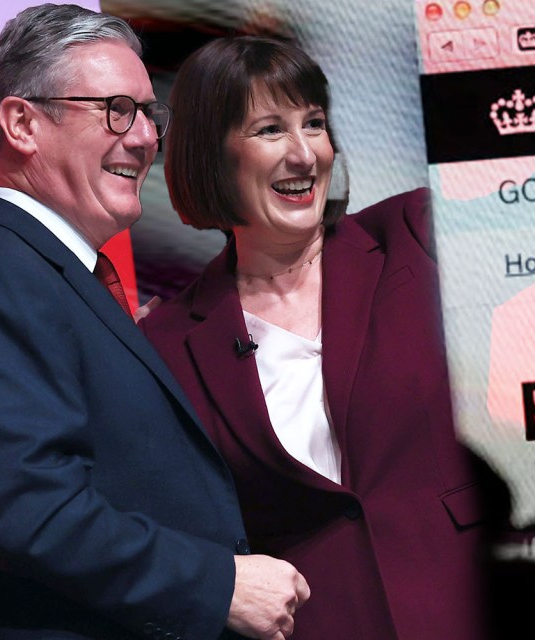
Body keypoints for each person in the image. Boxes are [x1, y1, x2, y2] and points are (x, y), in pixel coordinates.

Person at [0, 5, 309, 639]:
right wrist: (220, 583)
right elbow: (34, 513)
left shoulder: (60, 279)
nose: (147, 136)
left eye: (150, 114)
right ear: (22, 123)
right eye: (116, 110)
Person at [139, 36, 489, 639]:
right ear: (211, 156)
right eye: (271, 129)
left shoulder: (418, 237)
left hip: (477, 605)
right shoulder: (169, 343)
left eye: (316, 124)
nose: (305, 154)